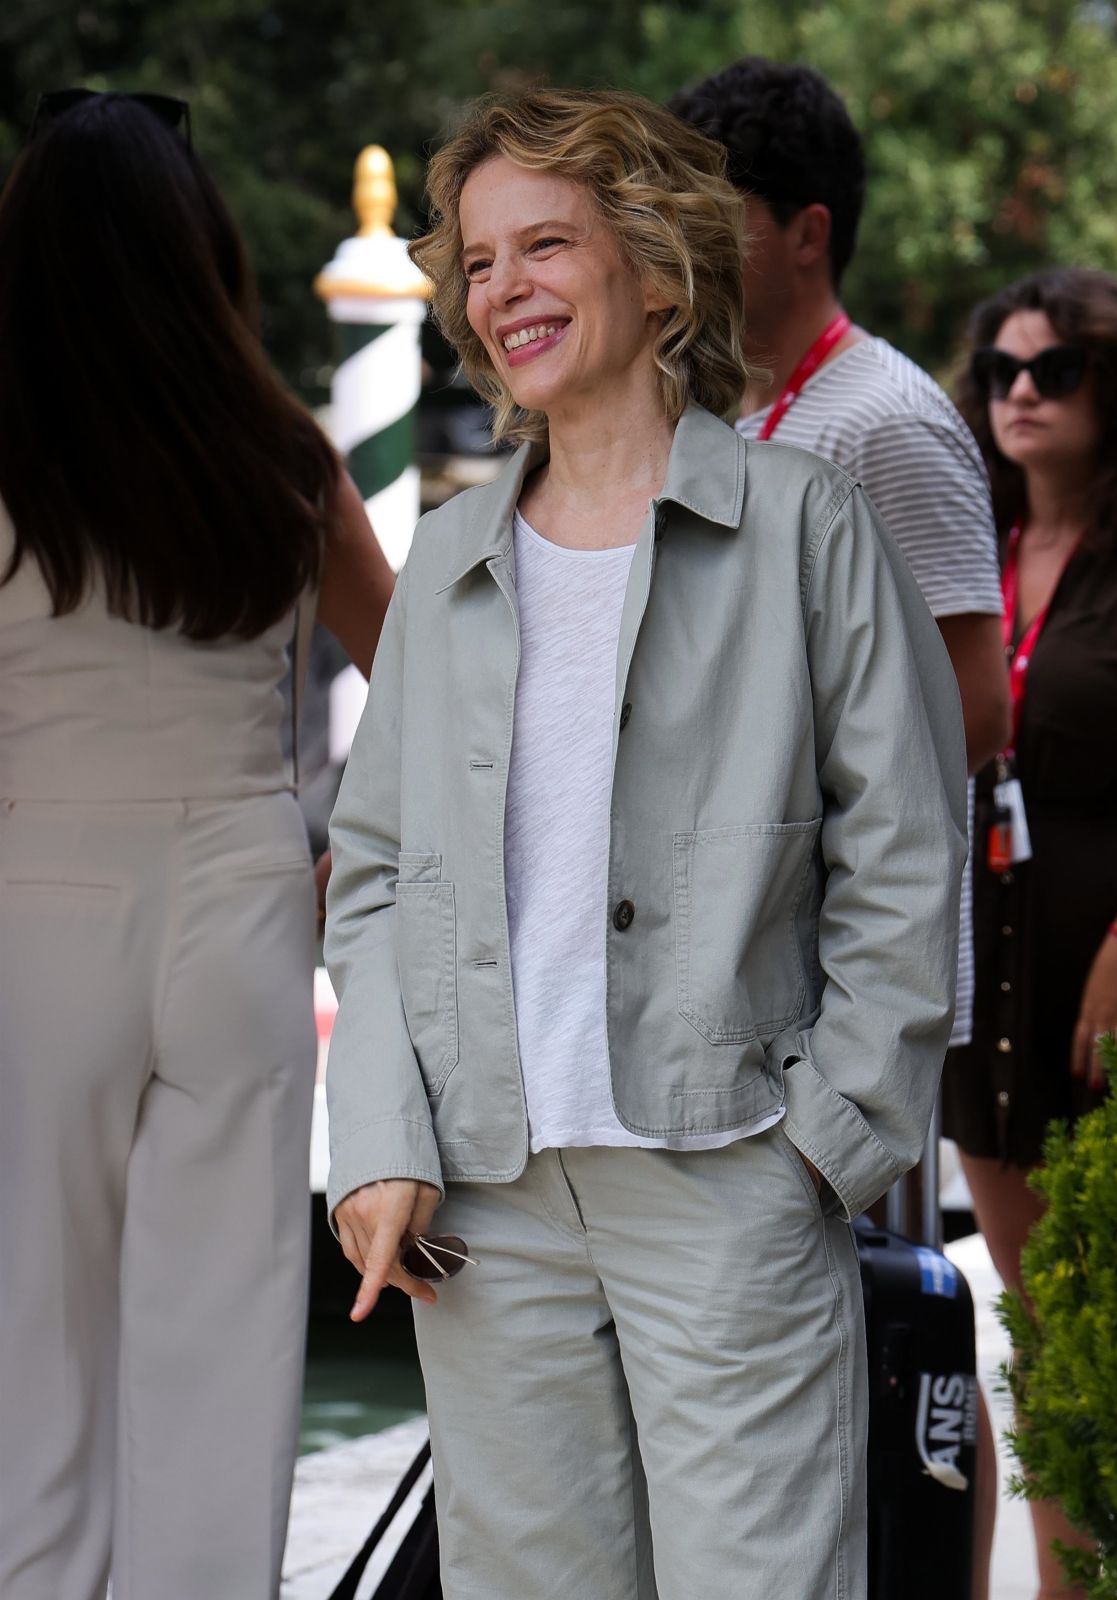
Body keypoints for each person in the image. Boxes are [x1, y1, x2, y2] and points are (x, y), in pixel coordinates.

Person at [324, 86, 966, 1600]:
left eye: (544, 243)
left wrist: (823, 1146)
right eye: (477, 264)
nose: (502, 291)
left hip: (732, 1172)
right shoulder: (453, 566)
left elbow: (908, 850)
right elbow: (372, 874)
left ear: (661, 266)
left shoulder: (809, 528)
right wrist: (377, 1144)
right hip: (484, 1202)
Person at [0, 92, 394, 1600]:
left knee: (37, 1353)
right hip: (241, 895)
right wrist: (352, 844)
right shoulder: (281, 452)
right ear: (201, 248)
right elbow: (420, 673)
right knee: (225, 1348)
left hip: (40, 901)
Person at [669, 62, 1011, 1593]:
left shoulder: (886, 419)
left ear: (807, 229)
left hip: (857, 982)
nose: (674, 237)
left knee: (891, 1320)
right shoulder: (734, 411)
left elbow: (975, 706)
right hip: (750, 966)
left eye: (711, 211)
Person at [946, 266, 1117, 1599]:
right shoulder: (968, 550)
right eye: (1002, 372)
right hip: (988, 1004)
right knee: (1038, 1341)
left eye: (1056, 371)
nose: (1023, 393)